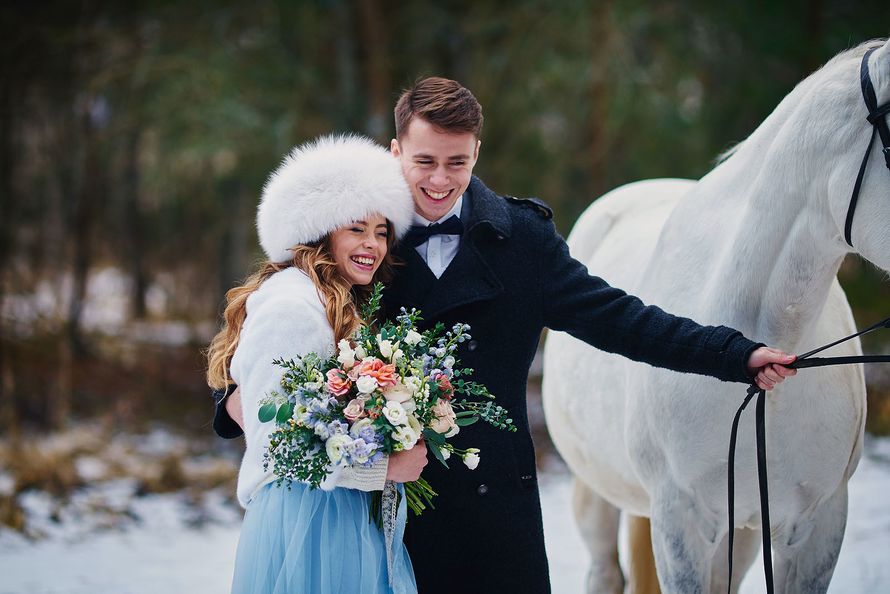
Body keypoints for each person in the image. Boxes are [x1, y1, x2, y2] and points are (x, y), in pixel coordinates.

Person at [212, 78, 796, 594]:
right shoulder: (360, 240)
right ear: (395, 152)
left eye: (457, 162)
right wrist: (234, 401)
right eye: (424, 162)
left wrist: (735, 354)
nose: (440, 180)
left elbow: (622, 320)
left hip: (497, 515)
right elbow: (278, 326)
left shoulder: (523, 241)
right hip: (385, 513)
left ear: (476, 154)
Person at [206, 134, 426, 594]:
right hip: (305, 523)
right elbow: (277, 450)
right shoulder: (292, 305)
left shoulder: (336, 303)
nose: (373, 244)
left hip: (335, 512)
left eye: (382, 231)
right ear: (320, 230)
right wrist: (385, 468)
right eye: (356, 228)